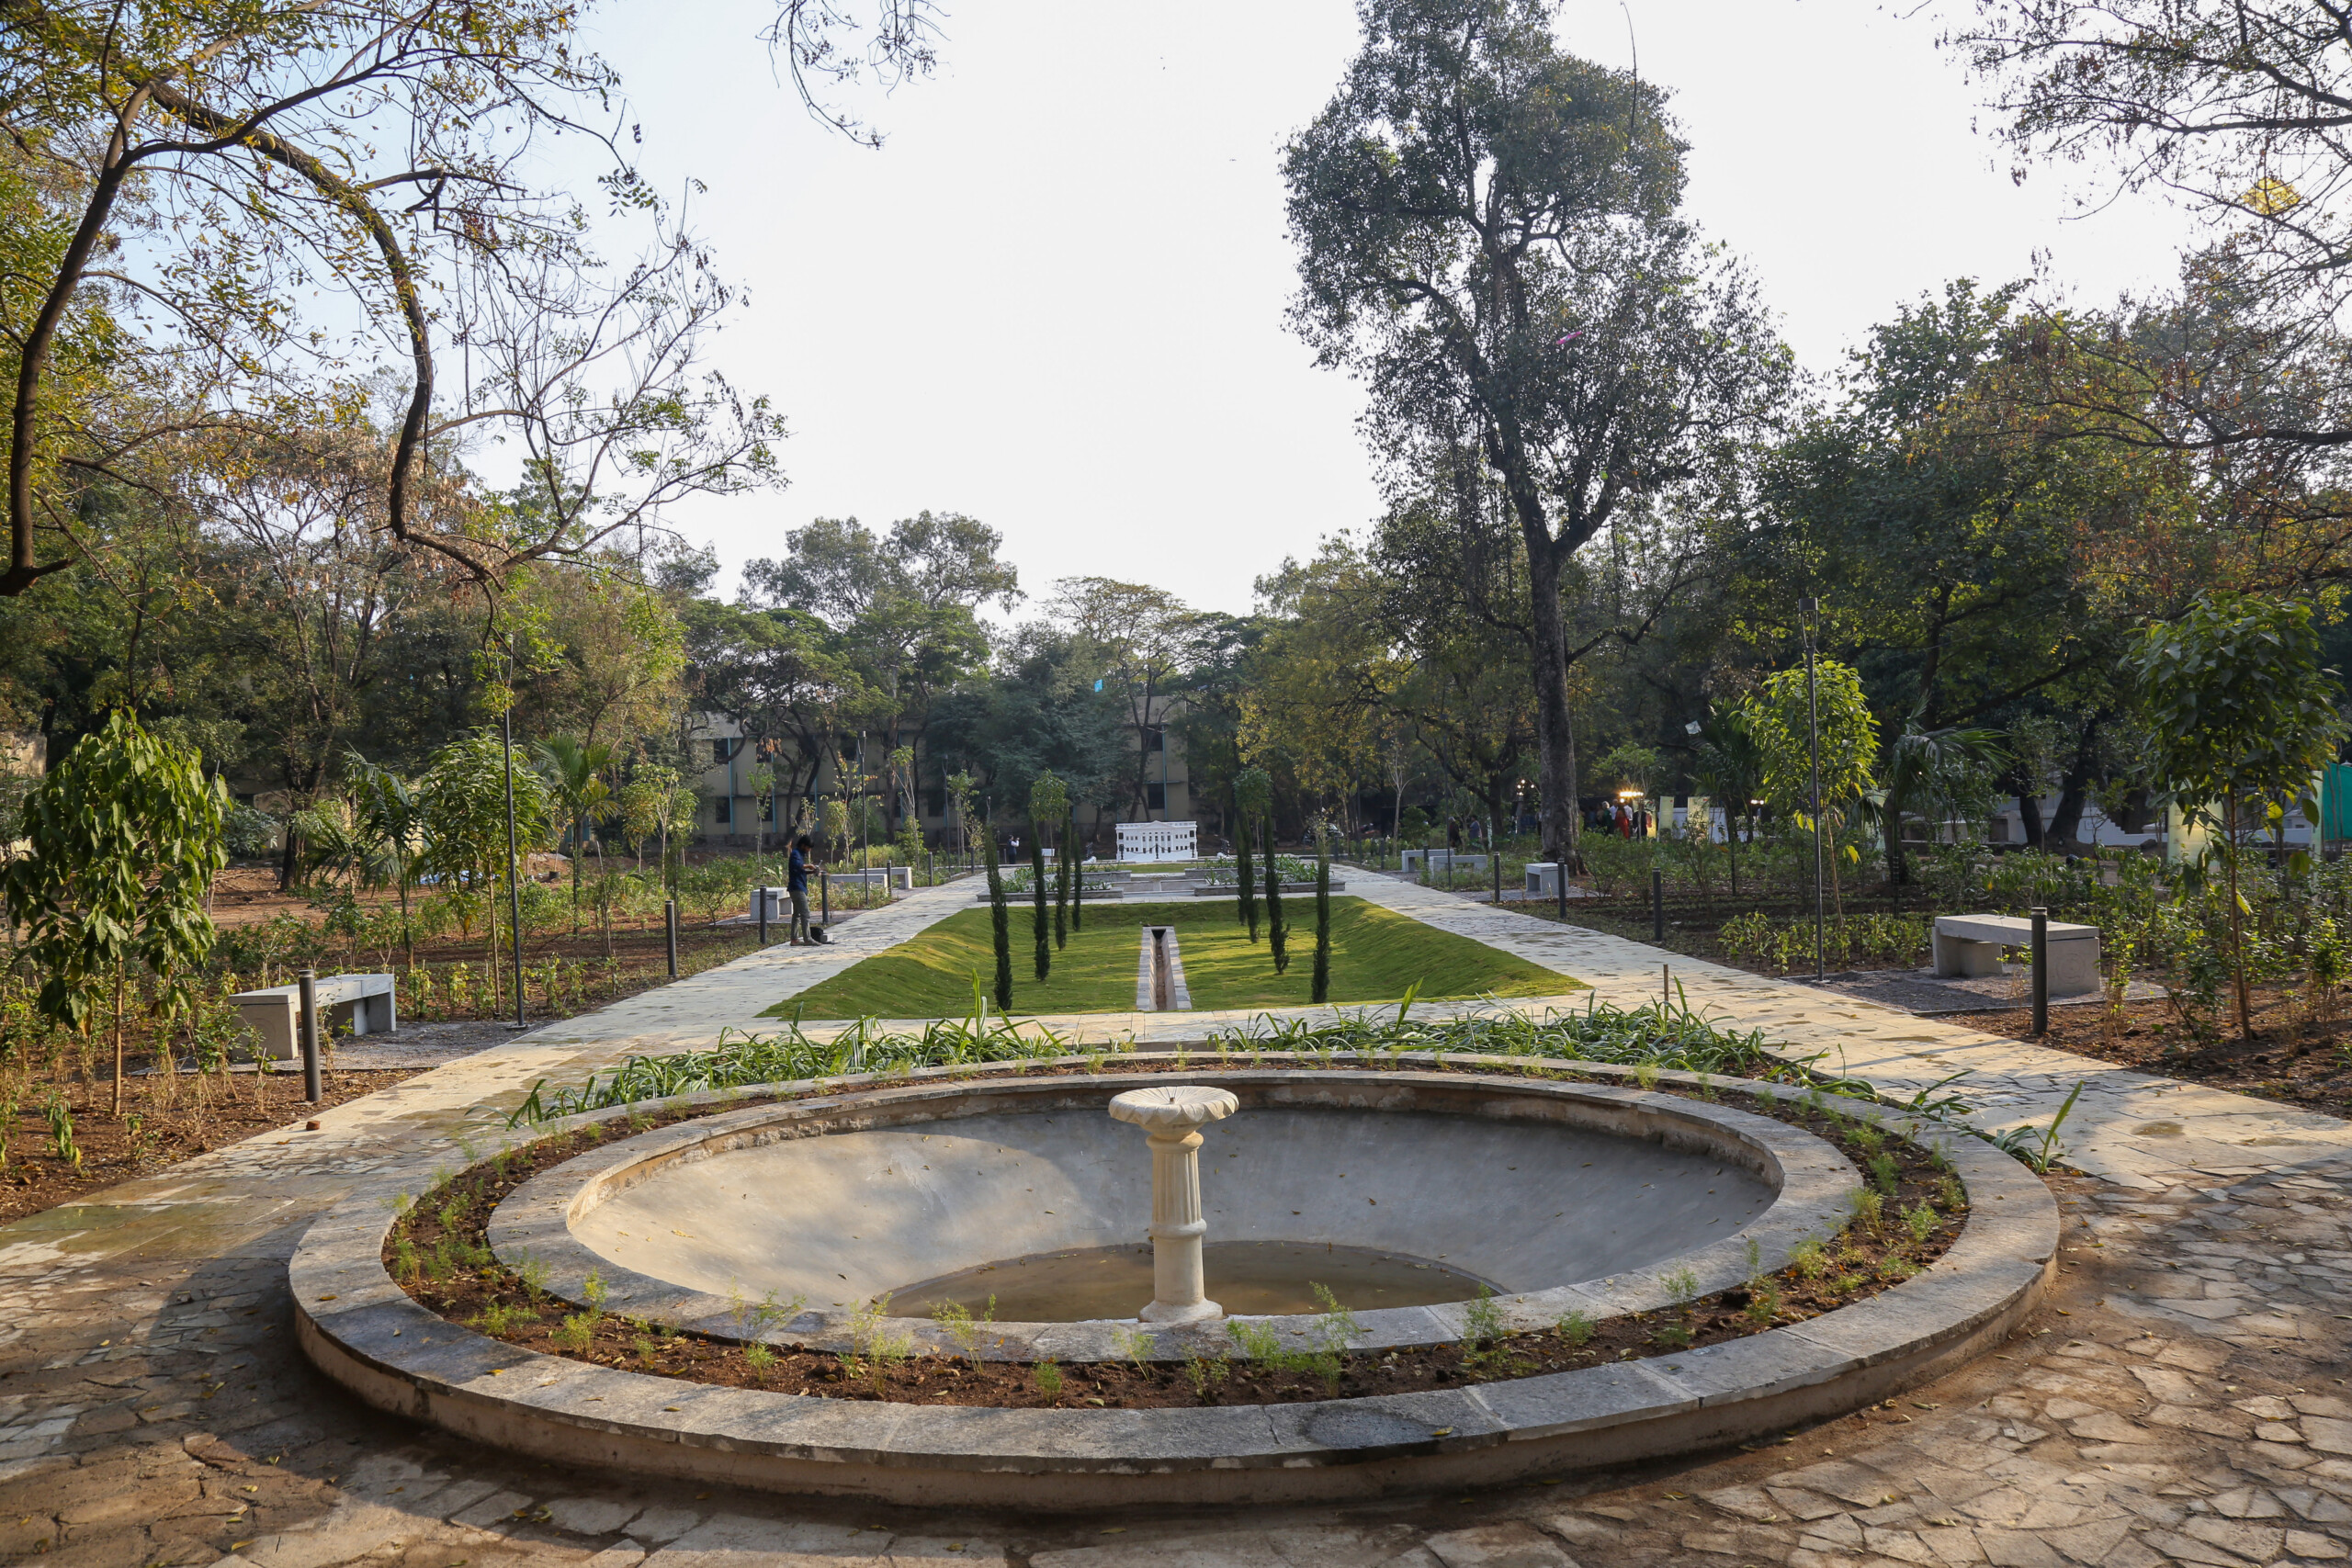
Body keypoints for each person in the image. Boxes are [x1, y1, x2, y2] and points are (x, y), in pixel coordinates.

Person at [786, 833, 813, 944]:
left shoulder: (799, 855)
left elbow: (799, 871)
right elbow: (797, 865)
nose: (809, 850)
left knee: (797, 915)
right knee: (805, 914)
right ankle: (807, 939)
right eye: (808, 847)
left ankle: (794, 939)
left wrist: (813, 871)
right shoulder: (795, 854)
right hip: (797, 888)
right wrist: (809, 865)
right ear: (803, 845)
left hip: (798, 887)